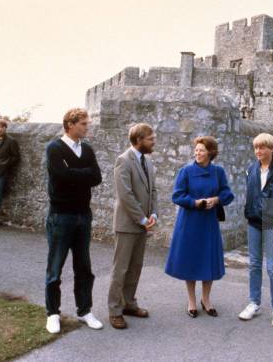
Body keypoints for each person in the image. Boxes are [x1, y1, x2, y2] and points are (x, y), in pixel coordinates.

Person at [44, 108, 103, 334]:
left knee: (84, 267)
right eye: (83, 124)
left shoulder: (86, 149)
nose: (87, 127)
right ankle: (53, 314)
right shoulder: (55, 148)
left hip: (83, 215)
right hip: (61, 215)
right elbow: (60, 177)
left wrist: (75, 173)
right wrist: (83, 174)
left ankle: (85, 311)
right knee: (55, 268)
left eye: (87, 123)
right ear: (70, 124)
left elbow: (96, 177)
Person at [165, 136, 234, 318]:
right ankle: (192, 301)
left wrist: (216, 199)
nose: (197, 153)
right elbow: (177, 196)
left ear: (210, 153)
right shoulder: (186, 171)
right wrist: (195, 202)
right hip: (190, 222)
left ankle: (206, 299)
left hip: (209, 223)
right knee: (191, 260)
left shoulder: (218, 172)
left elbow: (227, 193)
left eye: (201, 150)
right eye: (196, 150)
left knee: (208, 260)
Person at [238, 133, 273, 328]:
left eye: (262, 147)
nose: (258, 151)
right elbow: (250, 195)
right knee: (254, 264)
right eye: (256, 148)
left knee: (272, 266)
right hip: (254, 222)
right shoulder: (250, 170)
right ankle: (254, 303)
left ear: (272, 149)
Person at [108, 123, 158, 330]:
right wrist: (142, 219)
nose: (153, 141)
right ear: (138, 140)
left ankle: (129, 304)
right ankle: (114, 311)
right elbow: (125, 195)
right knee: (120, 269)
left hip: (143, 224)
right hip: (127, 224)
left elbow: (153, 190)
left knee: (135, 268)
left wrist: (153, 214)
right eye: (150, 138)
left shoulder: (148, 161)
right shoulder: (123, 161)